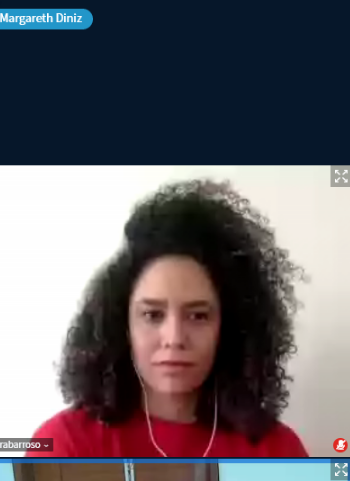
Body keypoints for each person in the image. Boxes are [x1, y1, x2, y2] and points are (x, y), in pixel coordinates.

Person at [30, 180, 308, 457]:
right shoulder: (64, 442)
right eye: (152, 315)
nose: (174, 338)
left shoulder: (278, 449)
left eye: (198, 316)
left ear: (229, 328)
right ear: (122, 325)